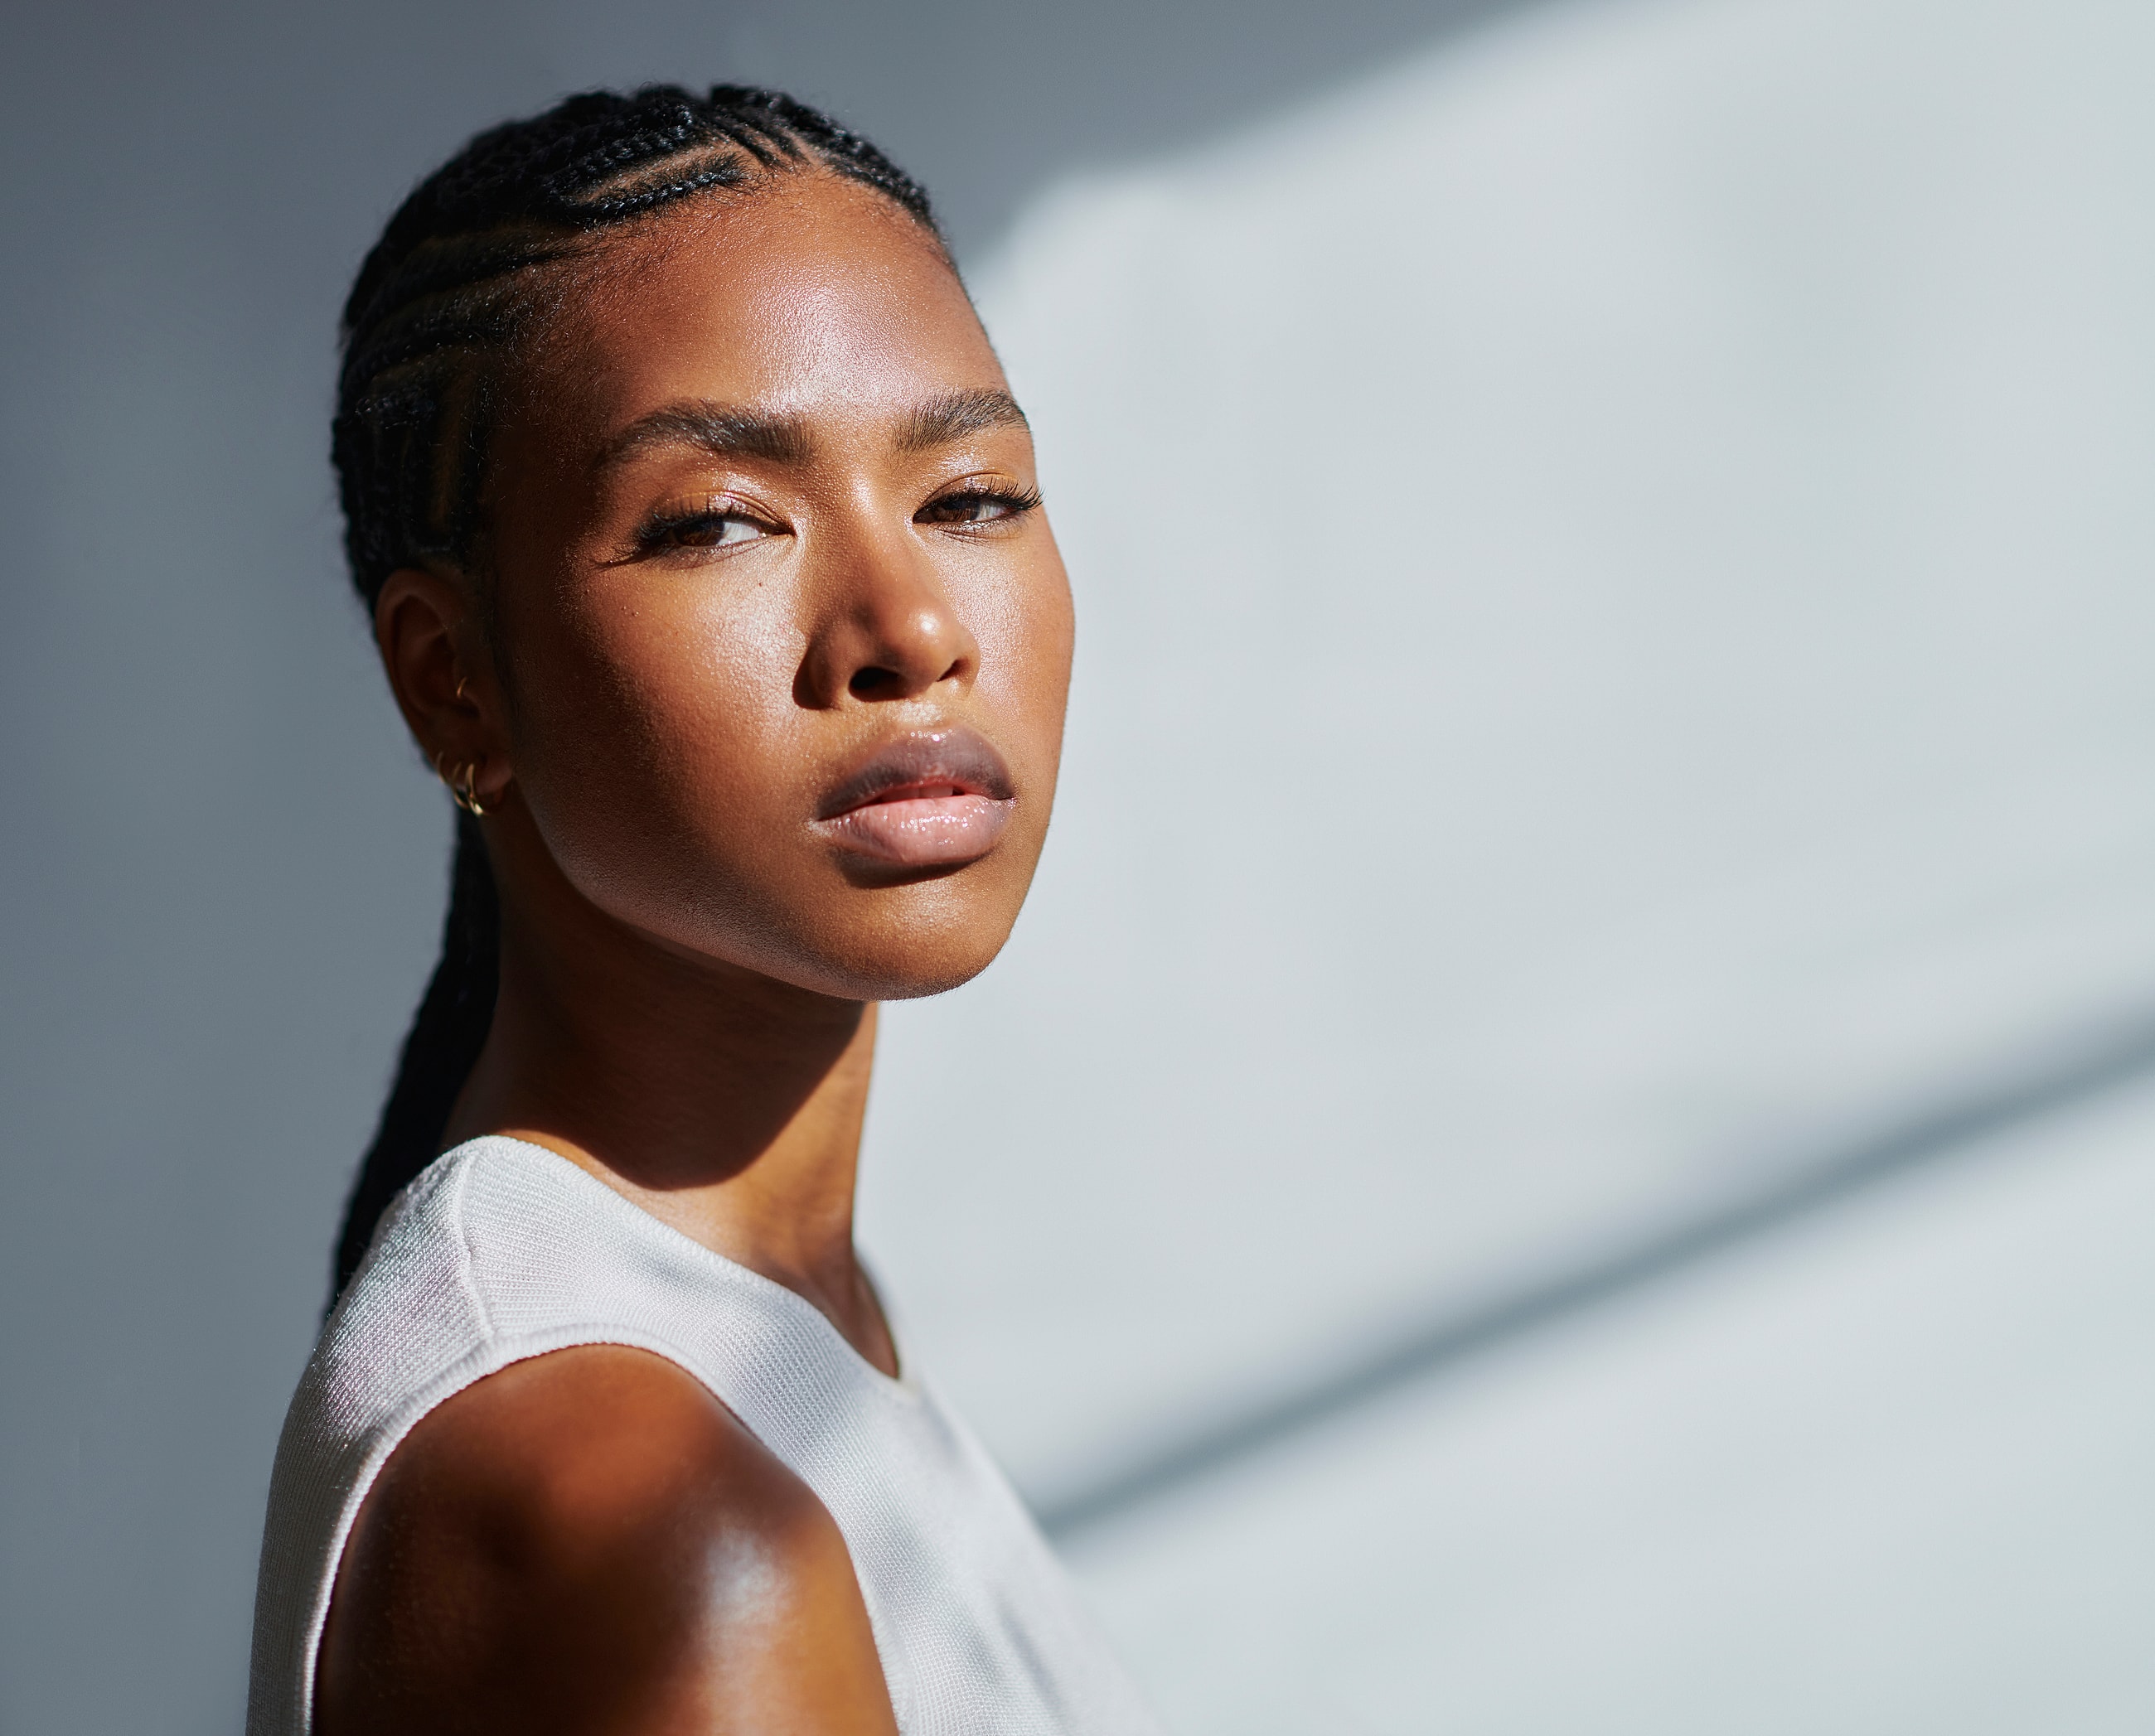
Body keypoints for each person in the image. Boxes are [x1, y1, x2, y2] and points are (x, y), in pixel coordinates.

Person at [247, 85, 1159, 1736]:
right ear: (453, 681)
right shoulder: (651, 1511)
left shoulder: (757, 1326)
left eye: (970, 496)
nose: (911, 630)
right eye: (721, 521)